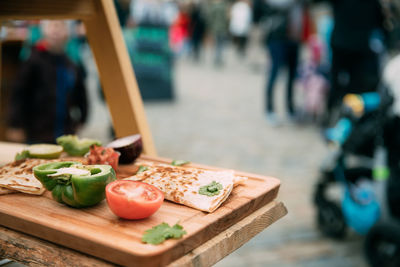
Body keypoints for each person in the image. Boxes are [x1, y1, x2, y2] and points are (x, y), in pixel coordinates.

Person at [6, 20, 88, 144]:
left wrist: (83, 119)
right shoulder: (33, 60)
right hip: (37, 131)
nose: (56, 29)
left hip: (64, 131)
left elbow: (81, 94)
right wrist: (15, 123)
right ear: (43, 31)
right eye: (51, 25)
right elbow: (19, 93)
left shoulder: (71, 64)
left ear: (68, 32)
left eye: (61, 26)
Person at [317, 0, 386, 126]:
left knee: (337, 84)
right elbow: (379, 22)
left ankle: (331, 116)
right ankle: (348, 119)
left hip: (342, 45)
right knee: (355, 87)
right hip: (358, 47)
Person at [263, 0, 305, 125]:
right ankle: (270, 109)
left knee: (292, 76)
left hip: (295, 38)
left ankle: (290, 108)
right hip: (277, 37)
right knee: (274, 74)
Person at [206, 0, 229, 66]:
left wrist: (209, 28)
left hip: (215, 28)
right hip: (222, 28)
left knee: (216, 44)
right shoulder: (224, 7)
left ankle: (216, 58)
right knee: (221, 44)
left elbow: (210, 18)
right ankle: (219, 58)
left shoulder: (213, 7)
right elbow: (227, 19)